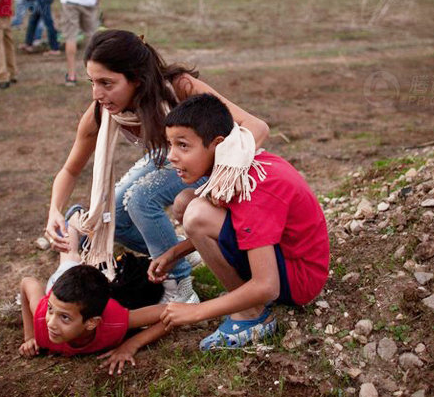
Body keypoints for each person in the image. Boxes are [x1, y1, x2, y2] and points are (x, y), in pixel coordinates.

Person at [43, 29, 270, 306]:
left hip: (217, 165)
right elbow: (69, 170)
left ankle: (181, 287)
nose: (97, 93)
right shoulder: (101, 114)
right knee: (113, 212)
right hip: (170, 157)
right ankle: (183, 249)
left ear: (136, 79)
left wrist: (222, 178)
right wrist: (55, 210)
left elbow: (257, 127)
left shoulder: (179, 88)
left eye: (106, 83)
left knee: (140, 199)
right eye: (92, 82)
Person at [149, 93, 330, 350]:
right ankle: (245, 299)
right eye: (171, 145)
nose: (171, 156)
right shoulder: (236, 162)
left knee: (197, 214)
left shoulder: (252, 187)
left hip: (299, 278)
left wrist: (198, 312)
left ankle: (253, 314)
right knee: (186, 202)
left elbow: (267, 285)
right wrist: (176, 252)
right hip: (284, 256)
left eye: (183, 146)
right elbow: (239, 225)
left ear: (216, 144)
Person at [19, 210, 167, 359]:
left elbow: (168, 313)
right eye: (51, 311)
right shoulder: (41, 317)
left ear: (92, 323)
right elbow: (27, 283)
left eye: (64, 318)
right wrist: (30, 336)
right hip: (59, 287)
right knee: (69, 259)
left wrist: (131, 345)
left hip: (93, 296)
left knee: (80, 262)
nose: (51, 323)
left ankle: (78, 226)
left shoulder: (113, 321)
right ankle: (72, 223)